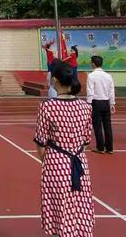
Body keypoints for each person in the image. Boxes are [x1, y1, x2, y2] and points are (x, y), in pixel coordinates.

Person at [34, 59, 94, 236]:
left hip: (56, 161)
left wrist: (49, 159)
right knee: (80, 201)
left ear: (56, 81)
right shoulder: (85, 107)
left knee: (58, 203)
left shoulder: (47, 107)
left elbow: (40, 141)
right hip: (79, 160)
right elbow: (86, 139)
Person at [87, 55, 115, 155]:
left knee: (97, 126)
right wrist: (112, 103)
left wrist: (88, 104)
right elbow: (111, 91)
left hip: (96, 102)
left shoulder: (91, 76)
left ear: (93, 64)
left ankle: (100, 148)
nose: (90, 64)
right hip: (106, 102)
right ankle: (110, 148)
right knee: (108, 125)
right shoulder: (108, 76)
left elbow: (90, 91)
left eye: (91, 62)